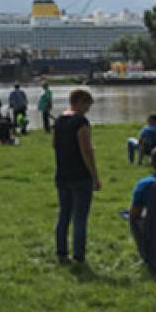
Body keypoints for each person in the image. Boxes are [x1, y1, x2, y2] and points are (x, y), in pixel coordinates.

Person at [52, 88, 101, 265]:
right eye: (87, 105)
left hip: (62, 174)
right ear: (79, 102)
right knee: (80, 218)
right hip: (80, 175)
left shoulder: (59, 121)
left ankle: (61, 252)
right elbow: (86, 151)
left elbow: (54, 145)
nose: (88, 109)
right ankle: (79, 256)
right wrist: (95, 176)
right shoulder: (81, 122)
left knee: (64, 215)